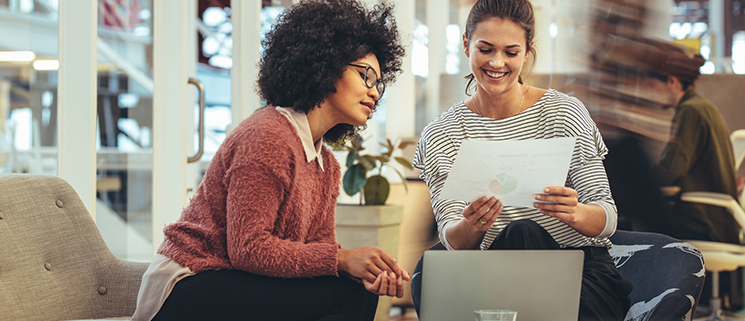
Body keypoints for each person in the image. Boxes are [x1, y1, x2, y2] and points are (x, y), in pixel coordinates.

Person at [130, 1, 408, 320]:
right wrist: (343, 260)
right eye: (366, 76)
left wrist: (359, 270)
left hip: (237, 279)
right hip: (188, 282)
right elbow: (249, 248)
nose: (374, 93)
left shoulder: (326, 164)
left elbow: (316, 252)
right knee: (342, 297)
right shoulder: (268, 135)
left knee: (358, 292)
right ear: (325, 63)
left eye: (379, 83)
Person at [410, 0, 632, 320]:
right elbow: (452, 240)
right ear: (465, 45)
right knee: (508, 239)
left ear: (527, 52)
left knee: (524, 233)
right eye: (485, 49)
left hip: (580, 277)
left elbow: (607, 217)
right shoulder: (442, 135)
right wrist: (472, 225)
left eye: (511, 52)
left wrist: (575, 212)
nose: (497, 63)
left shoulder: (564, 113)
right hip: (493, 280)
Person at [643, 40, 743, 311]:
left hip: (706, 221)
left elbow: (668, 173)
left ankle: (661, 308)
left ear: (672, 81)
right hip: (720, 220)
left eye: (654, 84)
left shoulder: (691, 111)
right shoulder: (701, 106)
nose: (651, 91)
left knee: (640, 228)